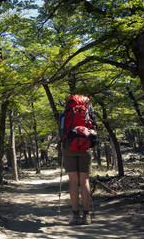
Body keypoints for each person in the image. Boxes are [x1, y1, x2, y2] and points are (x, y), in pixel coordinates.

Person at [59, 95, 97, 225]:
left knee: (73, 181)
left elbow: (61, 131)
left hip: (69, 147)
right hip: (85, 147)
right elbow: (94, 129)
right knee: (85, 181)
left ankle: (75, 215)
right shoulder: (89, 111)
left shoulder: (65, 113)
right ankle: (86, 216)